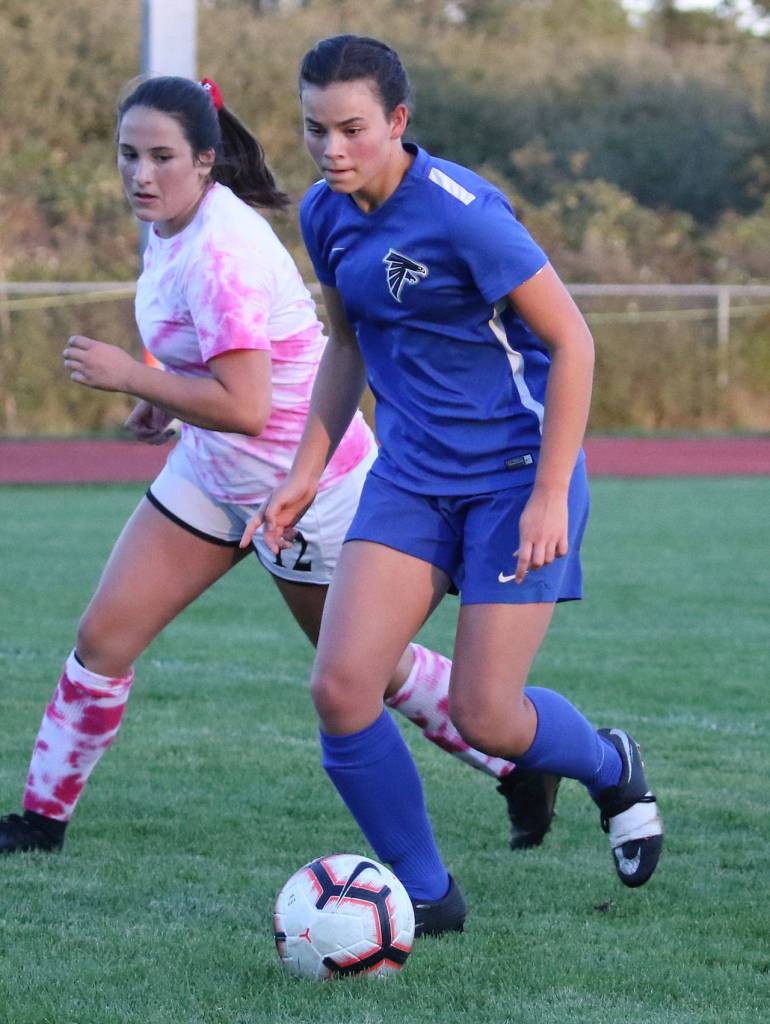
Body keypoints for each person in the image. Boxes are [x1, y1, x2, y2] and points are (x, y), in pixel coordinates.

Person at [0, 76, 556, 880]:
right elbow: (217, 376)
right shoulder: (170, 225)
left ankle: (515, 761)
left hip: (309, 487)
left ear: (206, 161)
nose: (140, 175)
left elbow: (251, 406)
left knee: (373, 674)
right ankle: (40, 821)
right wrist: (165, 403)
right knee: (103, 639)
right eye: (128, 155)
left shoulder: (222, 250)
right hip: (212, 471)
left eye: (161, 157)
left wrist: (134, 378)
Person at [243, 34, 664, 935]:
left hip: (517, 478)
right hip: (411, 479)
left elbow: (576, 342)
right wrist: (302, 475)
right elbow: (346, 344)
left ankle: (608, 763)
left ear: (398, 122)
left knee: (486, 716)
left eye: (352, 129)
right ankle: (426, 896)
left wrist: (552, 494)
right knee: (342, 687)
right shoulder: (324, 213)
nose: (332, 149)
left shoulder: (464, 214)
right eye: (315, 129)